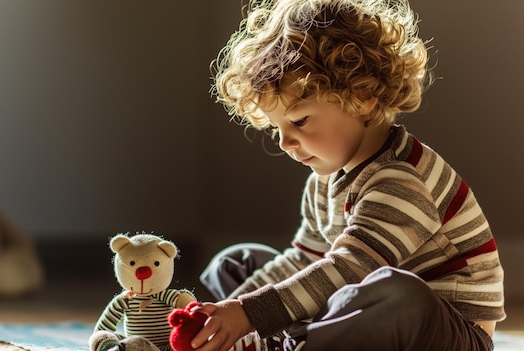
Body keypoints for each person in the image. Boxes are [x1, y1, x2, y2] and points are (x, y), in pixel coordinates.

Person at [190, 0, 506, 350]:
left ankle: (291, 340)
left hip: (442, 334)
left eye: (298, 121)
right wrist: (226, 314)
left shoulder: (399, 181)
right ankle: (282, 338)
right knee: (236, 263)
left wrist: (249, 314)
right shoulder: (323, 181)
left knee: (393, 291)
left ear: (363, 96)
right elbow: (306, 260)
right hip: (356, 297)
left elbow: (352, 269)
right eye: (275, 127)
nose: (283, 142)